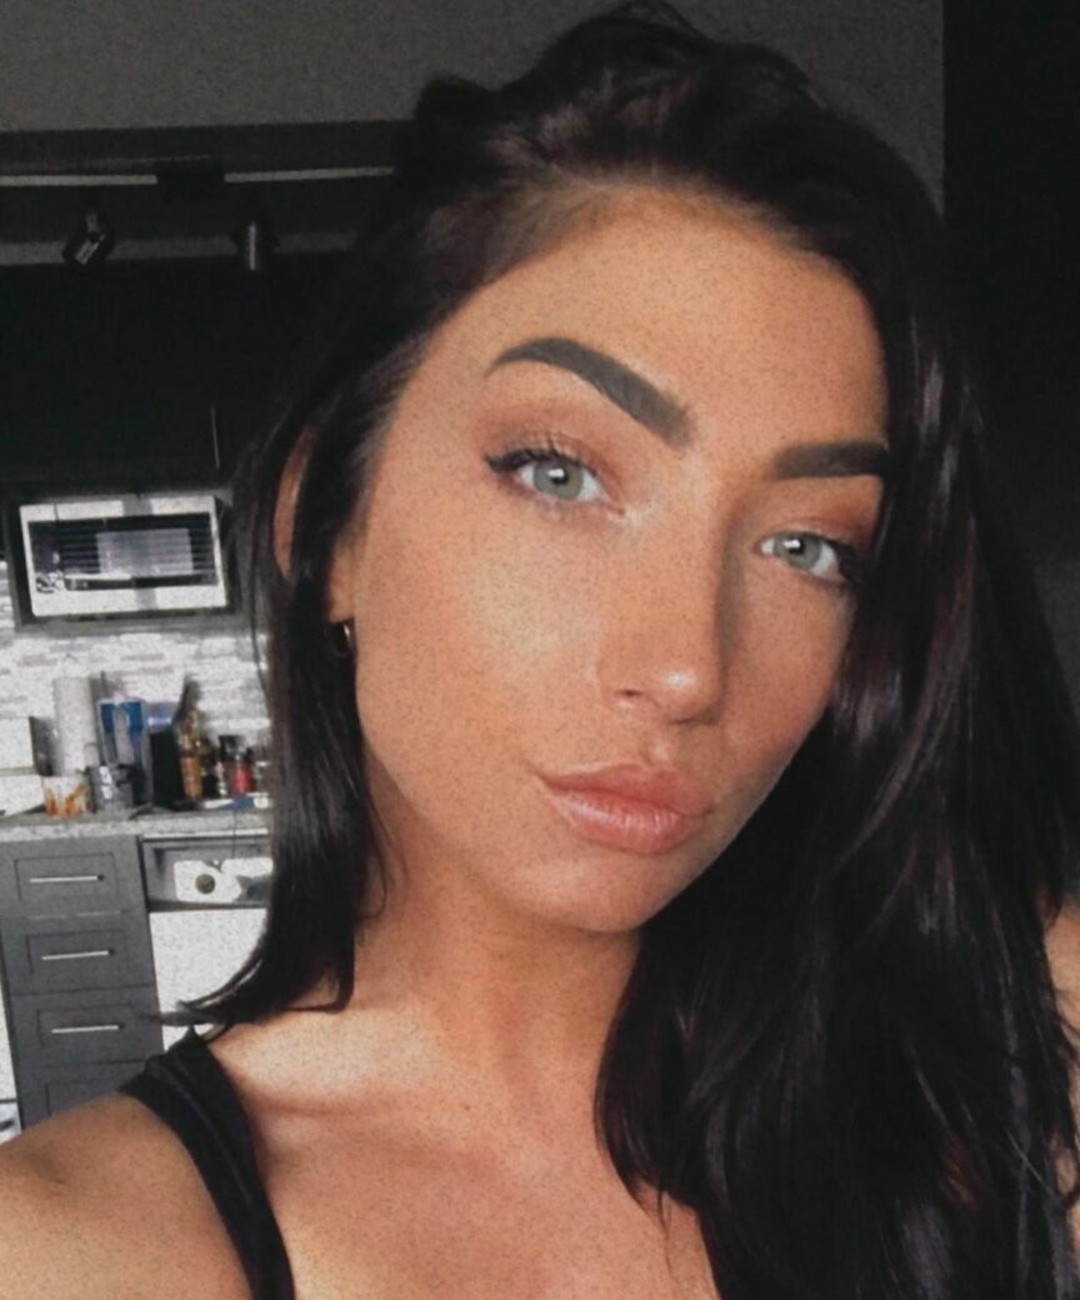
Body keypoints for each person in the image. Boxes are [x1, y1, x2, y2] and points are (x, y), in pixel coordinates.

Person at [2, 5, 1079, 1297]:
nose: (686, 669)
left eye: (807, 547)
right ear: (326, 528)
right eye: (559, 473)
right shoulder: (72, 1249)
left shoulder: (1000, 1064)